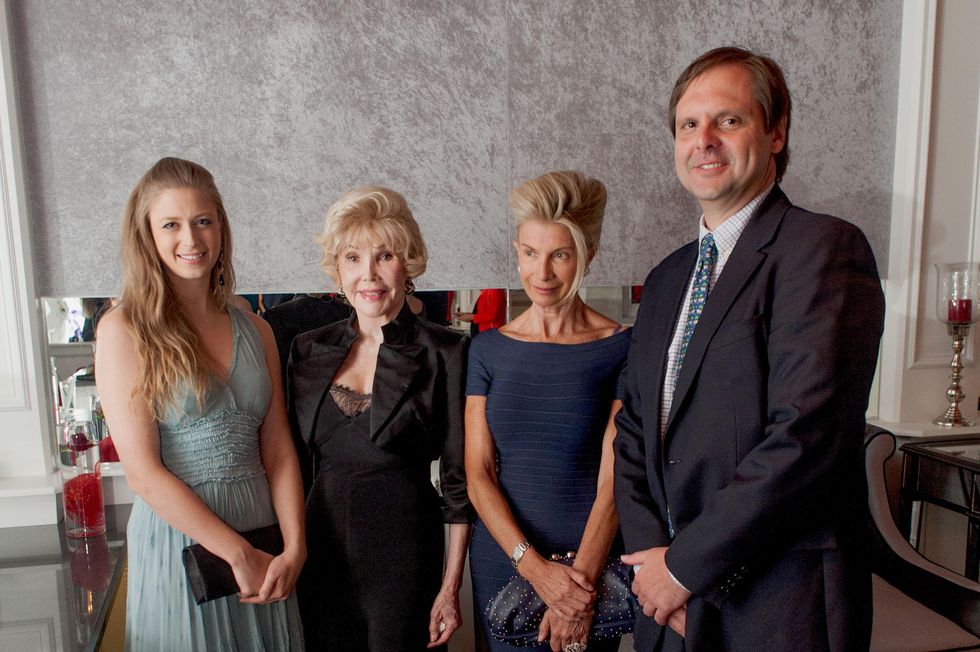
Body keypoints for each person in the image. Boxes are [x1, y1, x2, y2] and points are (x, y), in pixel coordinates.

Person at [614, 47, 885, 651]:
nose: (704, 140)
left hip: (777, 603)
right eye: (689, 124)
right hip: (665, 607)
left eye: (728, 120)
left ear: (776, 132)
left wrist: (686, 570)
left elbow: (805, 438)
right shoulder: (664, 279)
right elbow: (633, 430)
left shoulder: (823, 249)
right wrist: (652, 572)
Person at [95, 157, 305, 650]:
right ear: (147, 234)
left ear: (220, 228)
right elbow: (143, 472)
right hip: (182, 544)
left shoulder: (257, 329)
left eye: (203, 221)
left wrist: (295, 546)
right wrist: (235, 552)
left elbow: (277, 450)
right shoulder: (123, 331)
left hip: (264, 538)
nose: (190, 239)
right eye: (171, 224)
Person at [288, 186, 472, 650]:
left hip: (405, 556)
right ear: (338, 269)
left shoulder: (444, 351)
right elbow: (288, 463)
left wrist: (450, 590)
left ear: (407, 264)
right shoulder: (307, 347)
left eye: (384, 255)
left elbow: (457, 482)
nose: (368, 274)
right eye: (353, 258)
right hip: (320, 553)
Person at [466, 170, 630, 652]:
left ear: (587, 255)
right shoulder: (487, 350)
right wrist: (536, 571)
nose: (543, 273)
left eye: (560, 254)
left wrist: (575, 586)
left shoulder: (619, 347)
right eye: (531, 254)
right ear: (517, 250)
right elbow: (478, 474)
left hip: (592, 568)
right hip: (504, 562)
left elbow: (616, 478)